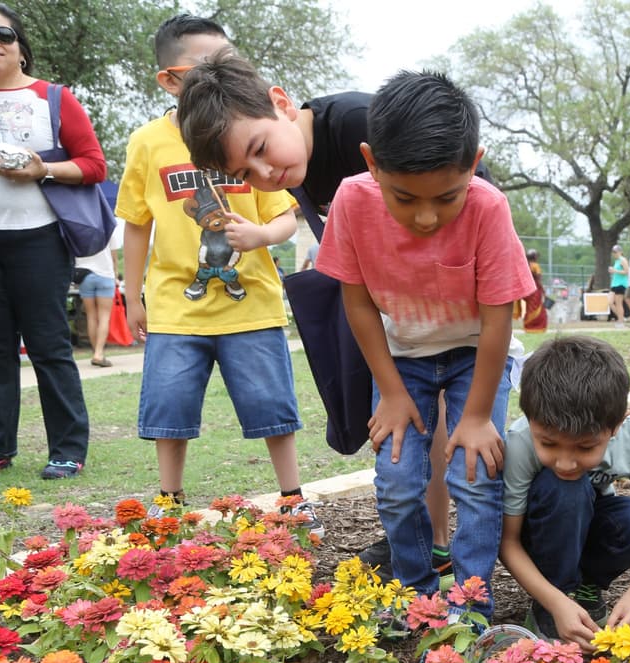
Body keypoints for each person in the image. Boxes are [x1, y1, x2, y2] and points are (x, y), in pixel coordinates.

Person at [176, 48, 473, 576]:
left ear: (281, 103)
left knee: (444, 420)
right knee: (408, 421)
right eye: (246, 172)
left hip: (451, 299)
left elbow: (452, 196)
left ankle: (449, 540)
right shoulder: (298, 171)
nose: (266, 173)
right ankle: (427, 537)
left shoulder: (360, 125)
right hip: (398, 308)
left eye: (260, 148)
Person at [312, 70, 533, 615]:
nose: (427, 217)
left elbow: (498, 315)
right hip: (403, 360)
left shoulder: (487, 206)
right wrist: (389, 392)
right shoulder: (350, 200)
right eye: (405, 198)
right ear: (370, 162)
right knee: (396, 481)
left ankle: (471, 604)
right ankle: (418, 595)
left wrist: (477, 416)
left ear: (474, 162)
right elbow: (357, 301)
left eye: (447, 197)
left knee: (475, 477)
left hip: (476, 356)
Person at [116, 15, 322, 535]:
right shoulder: (146, 143)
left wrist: (260, 235)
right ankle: (169, 500)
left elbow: (282, 213)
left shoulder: (252, 141)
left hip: (249, 302)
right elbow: (136, 225)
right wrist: (132, 294)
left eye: (231, 64)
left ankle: (292, 496)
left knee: (272, 404)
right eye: (210, 66)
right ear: (169, 79)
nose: (224, 76)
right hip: (174, 304)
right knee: (169, 406)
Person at [0, 1, 99, 479]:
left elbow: (93, 164)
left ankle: (67, 449)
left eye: (3, 34)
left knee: (49, 347)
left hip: (39, 239)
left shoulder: (51, 97)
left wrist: (42, 168)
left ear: (20, 48)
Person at [500, 336, 630, 649]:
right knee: (564, 486)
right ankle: (550, 603)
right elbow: (508, 541)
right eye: (548, 443)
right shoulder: (521, 440)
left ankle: (587, 587)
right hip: (541, 537)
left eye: (585, 447)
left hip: (586, 524)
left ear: (616, 426)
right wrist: (555, 601)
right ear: (530, 421)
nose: (566, 461)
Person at [74, 234, 118, 367]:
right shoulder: (108, 227)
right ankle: (99, 354)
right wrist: (115, 275)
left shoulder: (79, 228)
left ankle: (96, 353)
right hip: (105, 275)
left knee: (91, 316)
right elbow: (114, 258)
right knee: (104, 317)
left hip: (85, 276)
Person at [519, 248, 548, 332]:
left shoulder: (525, 265)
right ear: (535, 257)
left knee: (529, 308)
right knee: (538, 308)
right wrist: (543, 290)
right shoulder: (535, 266)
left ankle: (528, 326)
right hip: (535, 289)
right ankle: (537, 327)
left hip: (527, 290)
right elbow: (538, 279)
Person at [607, 243, 630, 327]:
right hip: (614, 284)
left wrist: (615, 271)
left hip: (621, 284)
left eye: (616, 252)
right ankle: (621, 317)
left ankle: (621, 321)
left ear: (620, 252)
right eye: (613, 252)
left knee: (618, 303)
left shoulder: (623, 260)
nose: (614, 253)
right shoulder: (617, 261)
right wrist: (613, 271)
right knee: (610, 302)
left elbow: (627, 272)